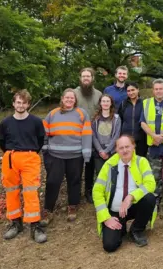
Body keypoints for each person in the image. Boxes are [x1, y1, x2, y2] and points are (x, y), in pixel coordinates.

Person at [93, 135, 157, 252]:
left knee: (149, 198)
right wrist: (106, 218)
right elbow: (97, 191)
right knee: (110, 246)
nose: (125, 150)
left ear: (133, 146)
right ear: (116, 149)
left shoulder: (142, 162)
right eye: (121, 147)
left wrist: (130, 197)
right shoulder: (108, 165)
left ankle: (136, 230)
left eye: (127, 146)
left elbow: (150, 185)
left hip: (134, 206)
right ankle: (120, 229)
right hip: (115, 211)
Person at [0, 89, 47, 243]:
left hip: (30, 157)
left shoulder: (36, 122)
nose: (20, 105)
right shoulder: (5, 122)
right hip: (11, 158)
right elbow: (2, 142)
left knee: (31, 192)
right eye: (18, 102)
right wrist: (12, 154)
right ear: (14, 103)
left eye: (24, 103)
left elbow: (40, 140)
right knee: (11, 191)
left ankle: (35, 224)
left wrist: (29, 153)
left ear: (28, 104)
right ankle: (15, 222)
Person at [41, 89, 92, 225]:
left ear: (75, 100)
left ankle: (72, 206)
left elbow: (87, 134)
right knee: (52, 182)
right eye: (67, 98)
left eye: (72, 98)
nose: (69, 100)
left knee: (74, 181)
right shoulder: (52, 114)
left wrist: (86, 154)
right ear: (62, 99)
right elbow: (44, 133)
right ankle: (48, 210)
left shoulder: (82, 114)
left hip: (75, 155)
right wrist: (45, 150)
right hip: (55, 155)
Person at [73, 67, 102, 204]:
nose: (86, 78)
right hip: (76, 135)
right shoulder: (74, 94)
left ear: (92, 78)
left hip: (93, 135)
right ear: (80, 78)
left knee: (90, 164)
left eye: (88, 76)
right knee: (76, 165)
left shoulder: (98, 94)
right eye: (83, 76)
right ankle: (75, 192)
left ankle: (89, 191)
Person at [92, 94, 121, 179]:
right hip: (99, 152)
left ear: (111, 103)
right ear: (100, 103)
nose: (105, 103)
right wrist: (101, 151)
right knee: (100, 175)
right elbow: (93, 136)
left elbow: (116, 135)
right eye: (103, 101)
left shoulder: (116, 118)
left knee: (112, 175)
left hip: (111, 152)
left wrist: (107, 151)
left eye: (108, 101)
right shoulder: (95, 118)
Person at [118, 82, 147, 157]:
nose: (131, 93)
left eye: (133, 90)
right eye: (128, 91)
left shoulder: (145, 103)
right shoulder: (123, 104)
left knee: (140, 162)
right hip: (126, 139)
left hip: (141, 139)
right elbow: (119, 121)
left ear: (138, 90)